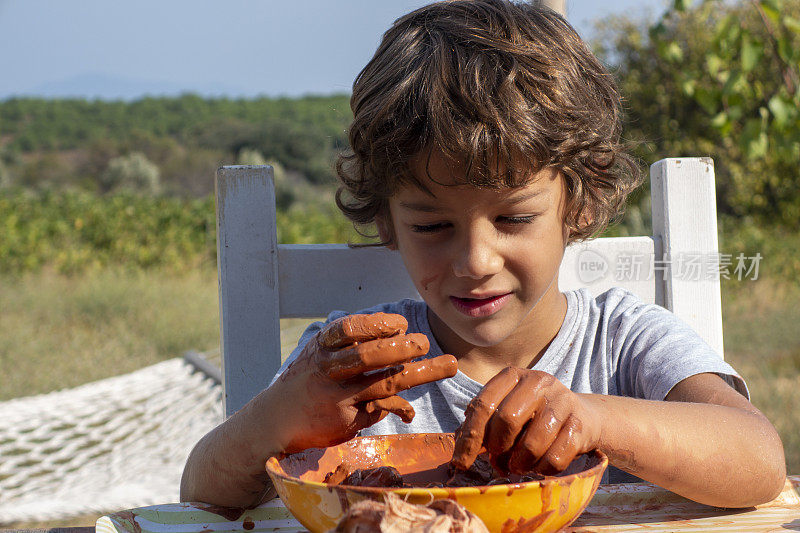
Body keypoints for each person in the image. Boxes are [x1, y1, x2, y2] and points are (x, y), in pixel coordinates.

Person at [181, 0, 785, 509]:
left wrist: (592, 418)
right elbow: (201, 495)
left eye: (514, 218)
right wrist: (281, 417)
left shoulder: (625, 343)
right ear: (387, 221)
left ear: (578, 203)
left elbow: (758, 460)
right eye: (432, 225)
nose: (475, 260)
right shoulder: (354, 370)